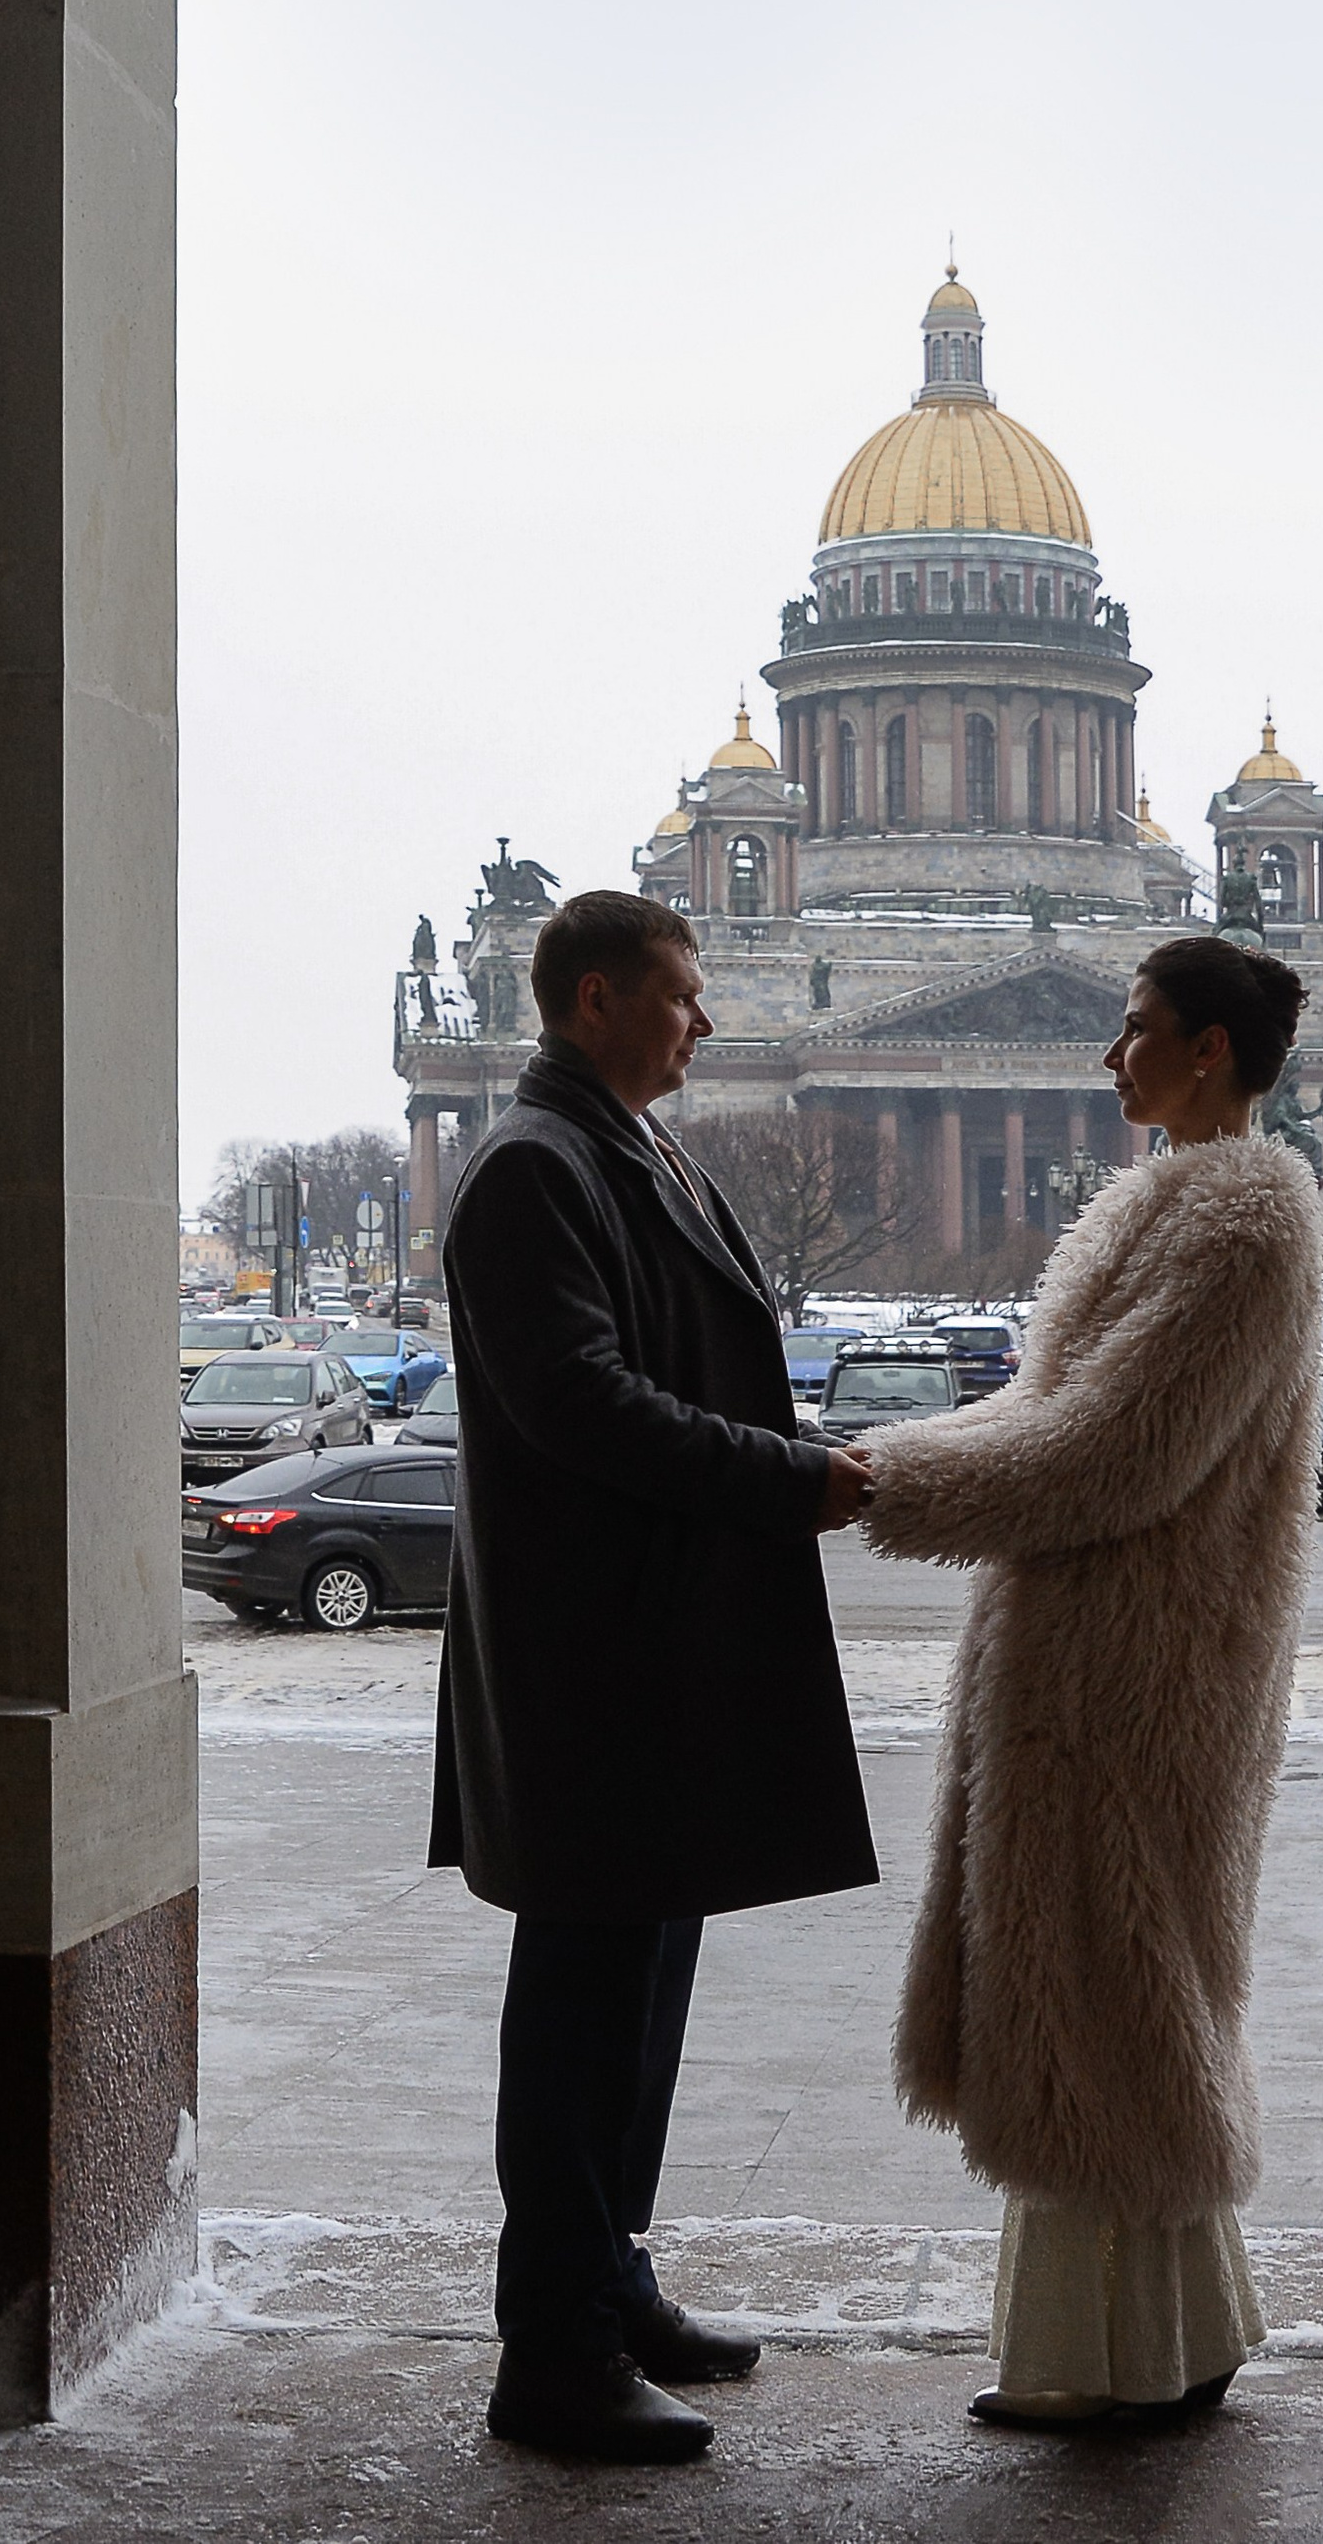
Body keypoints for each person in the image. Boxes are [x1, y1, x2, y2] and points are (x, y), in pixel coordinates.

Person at [428, 887, 879, 2465]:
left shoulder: (617, 1139)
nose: (706, 1020)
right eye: (683, 994)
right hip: (592, 1661)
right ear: (595, 995)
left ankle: (608, 2282)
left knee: (637, 2006)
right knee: (579, 2020)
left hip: (644, 1648)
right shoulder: (533, 1163)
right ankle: (549, 2350)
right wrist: (788, 1475)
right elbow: (584, 1404)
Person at [858, 932, 1323, 2428]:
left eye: (1132, 1031)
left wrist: (874, 1483)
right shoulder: (1177, 1204)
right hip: (1107, 1659)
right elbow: (1063, 1417)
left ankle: (1103, 2361)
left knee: (1109, 1991)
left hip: (1138, 1674)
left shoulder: (1240, 1224)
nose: (1106, 1058)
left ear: (1206, 1051)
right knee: (1116, 1991)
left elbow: (1109, 1450)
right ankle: (1172, 2335)